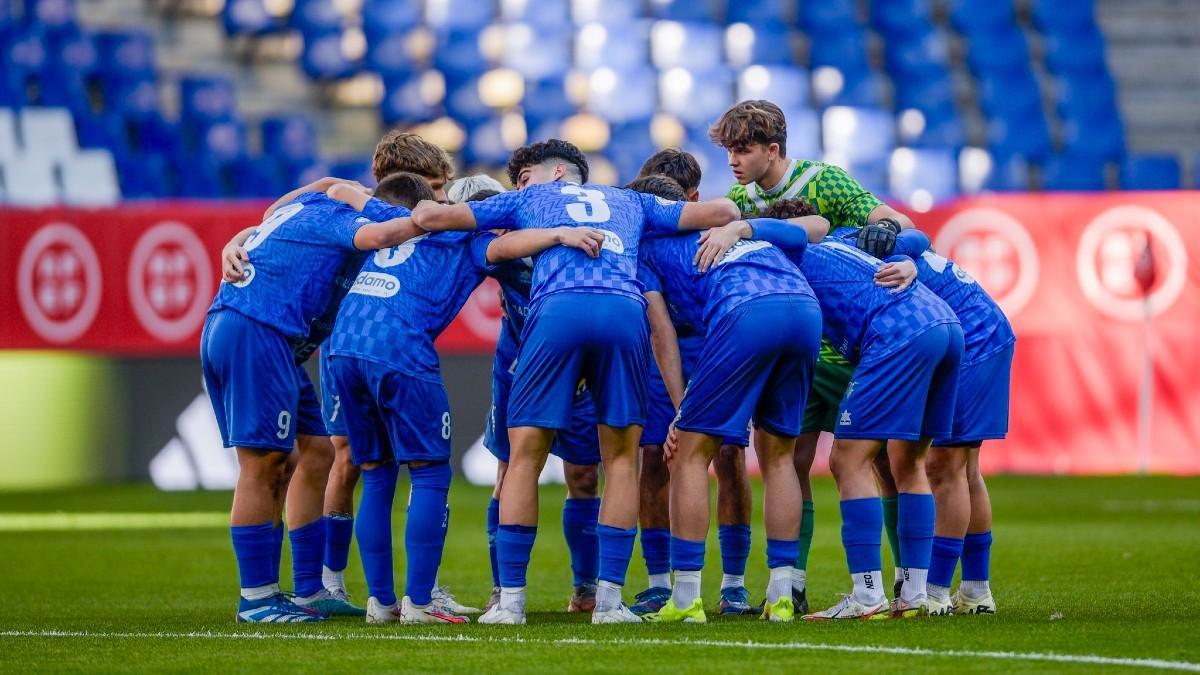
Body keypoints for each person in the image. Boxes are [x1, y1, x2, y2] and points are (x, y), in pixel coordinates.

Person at [411, 139, 740, 625]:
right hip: (624, 311)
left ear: (559, 173)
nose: (521, 183)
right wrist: (737, 227)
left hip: (557, 310)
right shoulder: (632, 200)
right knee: (622, 459)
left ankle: (511, 604)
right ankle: (608, 604)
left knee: (524, 457)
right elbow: (722, 209)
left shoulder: (530, 199)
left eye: (527, 176)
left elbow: (428, 217)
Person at [323, 172, 608, 623]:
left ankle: (380, 603)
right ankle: (419, 603)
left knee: (376, 475)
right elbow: (507, 248)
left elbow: (338, 190)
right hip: (399, 344)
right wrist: (558, 232)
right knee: (431, 475)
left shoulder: (402, 218)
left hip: (344, 342)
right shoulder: (472, 245)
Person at [706, 199, 961, 620]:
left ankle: (867, 596)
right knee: (910, 463)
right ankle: (916, 594)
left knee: (848, 460)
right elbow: (914, 236)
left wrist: (743, 228)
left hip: (897, 330)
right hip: (945, 324)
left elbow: (794, 233)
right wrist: (908, 259)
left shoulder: (787, 249)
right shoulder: (845, 239)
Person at [710, 99, 918, 611]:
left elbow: (897, 222)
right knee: (789, 462)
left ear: (773, 149)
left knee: (883, 465)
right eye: (729, 150)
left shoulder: (825, 181)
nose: (733, 161)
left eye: (742, 150)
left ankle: (905, 584)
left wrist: (896, 243)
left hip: (851, 348)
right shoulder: (738, 199)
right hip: (797, 353)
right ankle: (791, 585)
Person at [201, 177, 422, 623]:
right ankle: (257, 598)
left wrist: (237, 238)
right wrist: (425, 222)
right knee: (263, 463)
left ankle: (307, 590)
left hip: (268, 337)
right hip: (256, 328)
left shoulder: (313, 205)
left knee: (315, 452)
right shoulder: (341, 218)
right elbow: (377, 234)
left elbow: (282, 208)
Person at [625, 175, 824, 624]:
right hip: (805, 311)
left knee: (689, 455)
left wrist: (681, 411)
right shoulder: (742, 231)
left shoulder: (648, 251)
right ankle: (782, 593)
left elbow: (662, 334)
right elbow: (816, 228)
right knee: (779, 458)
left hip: (746, 312)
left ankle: (686, 598)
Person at [857, 227, 1013, 616]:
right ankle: (976, 591)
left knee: (944, 467)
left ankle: (937, 591)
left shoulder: (864, 259)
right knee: (964, 468)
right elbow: (915, 237)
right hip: (984, 331)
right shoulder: (881, 241)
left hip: (974, 341)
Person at [628, 152, 758, 616]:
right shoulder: (643, 250)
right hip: (661, 361)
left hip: (715, 349)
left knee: (727, 455)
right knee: (653, 458)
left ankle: (733, 583)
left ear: (693, 200)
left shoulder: (713, 238)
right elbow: (658, 328)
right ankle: (660, 581)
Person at [472, 185, 604, 614]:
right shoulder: (503, 248)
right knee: (509, 468)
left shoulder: (585, 239)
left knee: (584, 475)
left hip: (579, 373)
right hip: (516, 368)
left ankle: (586, 587)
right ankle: (503, 589)